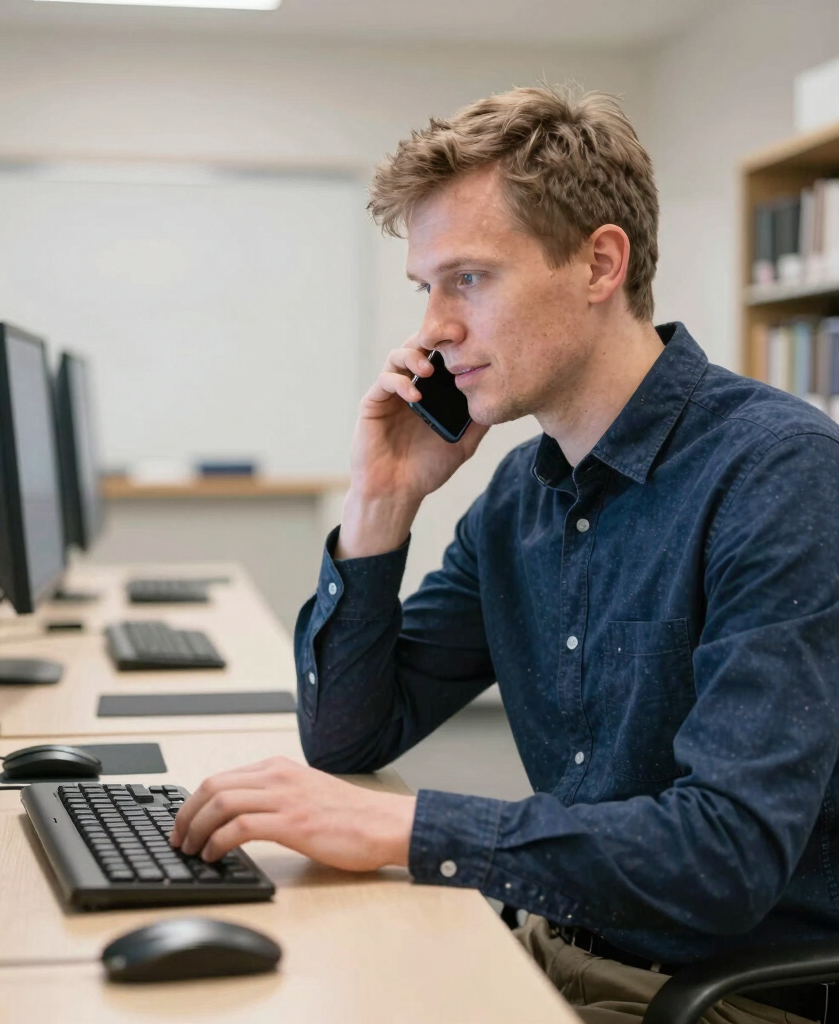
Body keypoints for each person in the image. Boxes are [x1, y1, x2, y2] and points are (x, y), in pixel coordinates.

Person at [170, 85, 839, 1023]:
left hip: (716, 1000)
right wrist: (380, 503)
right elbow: (350, 738)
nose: (433, 328)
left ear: (600, 263)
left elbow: (723, 856)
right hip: (549, 945)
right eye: (424, 288)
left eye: (470, 280)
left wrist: (403, 826)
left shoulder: (779, 476)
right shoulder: (521, 492)